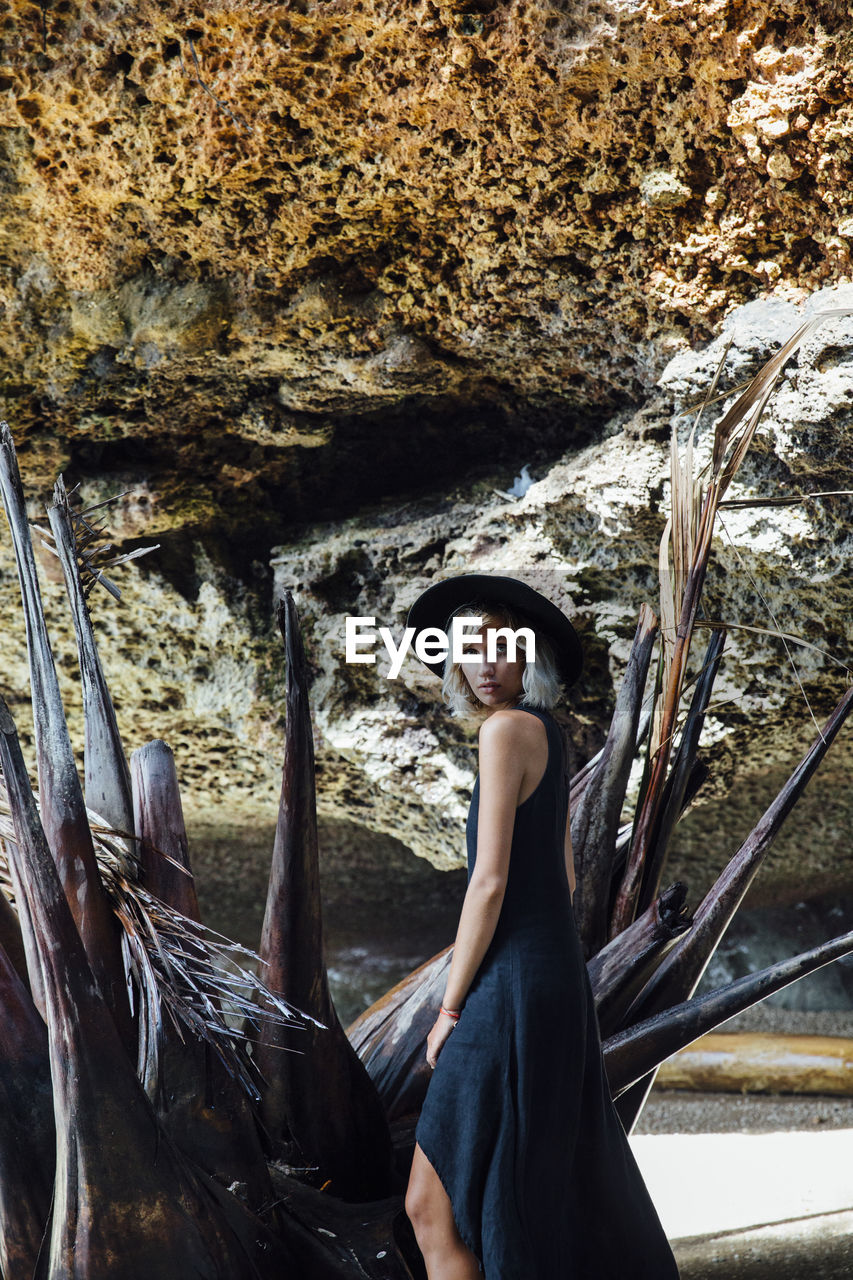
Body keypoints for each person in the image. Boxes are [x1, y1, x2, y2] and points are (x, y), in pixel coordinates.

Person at [403, 573, 679, 1279]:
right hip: (543, 975)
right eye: (470, 649)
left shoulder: (505, 732)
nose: (486, 663)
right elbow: (562, 876)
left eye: (501, 648)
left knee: (434, 1204)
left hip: (511, 984)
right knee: (481, 1198)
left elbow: (489, 882)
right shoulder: (541, 735)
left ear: (527, 659)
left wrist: (450, 1005)